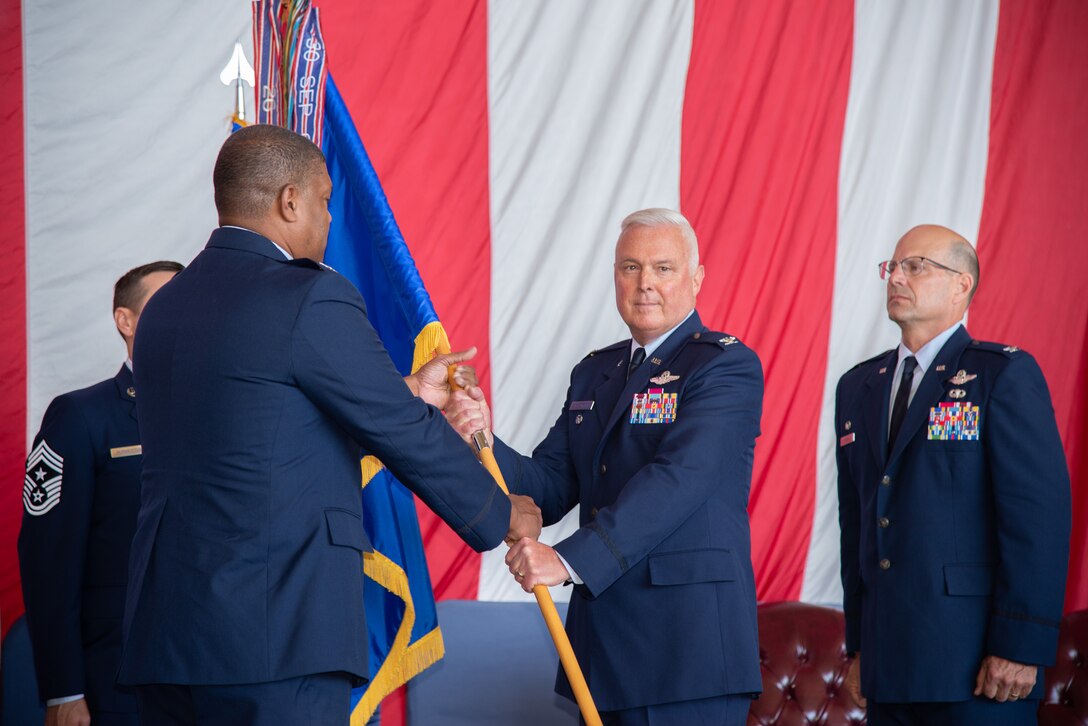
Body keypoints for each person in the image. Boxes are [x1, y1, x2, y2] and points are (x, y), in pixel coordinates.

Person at [117, 124, 541, 725]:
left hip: (168, 633)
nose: (328, 218)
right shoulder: (309, 297)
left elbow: (256, 419)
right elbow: (401, 435)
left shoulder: (163, 309)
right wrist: (503, 513)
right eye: (323, 199)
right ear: (289, 201)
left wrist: (412, 390)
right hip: (276, 633)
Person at [447, 208, 764, 725]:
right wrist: (478, 432)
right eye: (630, 267)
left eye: (663, 268)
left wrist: (567, 561)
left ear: (696, 278)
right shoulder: (596, 371)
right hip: (604, 650)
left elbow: (677, 480)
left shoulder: (725, 366)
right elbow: (547, 486)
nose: (645, 284)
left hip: (686, 649)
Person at [835, 224, 1071, 725]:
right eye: (892, 267)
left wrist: (1020, 644)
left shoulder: (1001, 375)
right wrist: (860, 646)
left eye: (916, 266)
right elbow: (856, 526)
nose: (897, 276)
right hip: (888, 663)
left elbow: (1037, 518)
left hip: (977, 668)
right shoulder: (857, 387)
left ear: (962, 284)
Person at [18, 261, 183, 726]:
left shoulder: (226, 410)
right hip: (117, 683)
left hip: (216, 680)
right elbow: (49, 562)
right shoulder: (80, 417)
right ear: (125, 321)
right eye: (164, 302)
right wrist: (63, 690)